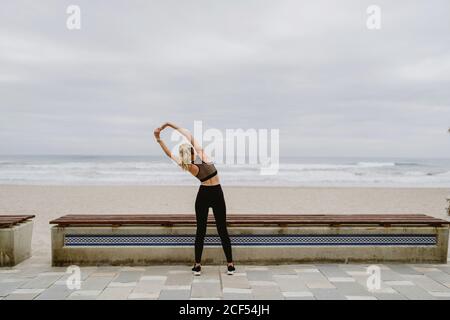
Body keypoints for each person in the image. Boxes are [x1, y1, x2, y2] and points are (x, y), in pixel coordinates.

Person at [154, 122, 235, 276]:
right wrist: (169, 125)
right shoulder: (203, 155)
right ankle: (230, 265)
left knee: (201, 231)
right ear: (192, 151)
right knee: (222, 229)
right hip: (217, 193)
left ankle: (197, 265)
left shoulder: (187, 165)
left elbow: (168, 154)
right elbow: (188, 135)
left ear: (183, 155)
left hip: (203, 194)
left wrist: (158, 139)